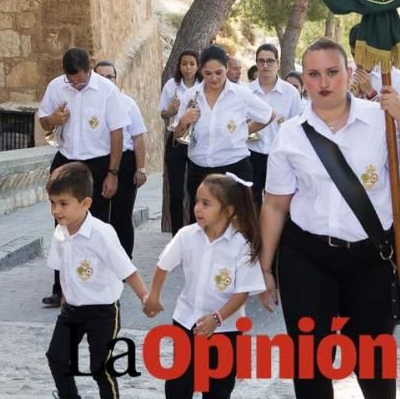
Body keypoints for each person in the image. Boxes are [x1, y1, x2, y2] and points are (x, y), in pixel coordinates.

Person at [260, 38, 400, 398]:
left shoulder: (382, 122)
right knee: (310, 368)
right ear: (303, 79)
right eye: (314, 74)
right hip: (306, 257)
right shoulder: (290, 135)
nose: (324, 82)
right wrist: (263, 267)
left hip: (371, 258)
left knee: (373, 368)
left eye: (333, 72)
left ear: (349, 74)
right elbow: (275, 205)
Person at [142, 173, 266, 399]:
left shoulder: (241, 247)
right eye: (197, 201)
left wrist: (217, 318)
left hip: (225, 330)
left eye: (206, 204)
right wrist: (154, 296)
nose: (197, 208)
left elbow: (241, 294)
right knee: (178, 386)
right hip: (186, 321)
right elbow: (163, 266)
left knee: (218, 389)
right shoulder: (186, 236)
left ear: (228, 211)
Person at [45, 162, 149, 399]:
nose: (56, 210)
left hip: (102, 312)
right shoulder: (60, 233)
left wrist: (145, 296)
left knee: (100, 367)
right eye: (52, 203)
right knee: (56, 356)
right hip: (71, 311)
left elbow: (127, 270)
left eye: (63, 204)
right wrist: (64, 299)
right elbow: (63, 270)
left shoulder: (101, 234)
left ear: (85, 204)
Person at [38, 47, 127, 306]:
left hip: (97, 164)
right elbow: (44, 121)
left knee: (96, 226)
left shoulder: (107, 91)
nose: (76, 84)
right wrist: (53, 119)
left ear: (90, 70)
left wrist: (113, 173)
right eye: (72, 80)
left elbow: (117, 134)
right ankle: (61, 287)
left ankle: (96, 287)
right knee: (62, 225)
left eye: (81, 79)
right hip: (67, 160)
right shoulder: (56, 87)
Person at [172, 45, 275, 224]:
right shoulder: (191, 96)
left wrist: (244, 131)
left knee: (238, 226)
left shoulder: (241, 94)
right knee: (202, 225)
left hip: (234, 169)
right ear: (201, 71)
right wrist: (183, 121)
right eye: (208, 73)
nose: (214, 78)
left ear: (226, 68)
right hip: (200, 171)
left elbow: (269, 115)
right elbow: (177, 138)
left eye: (219, 72)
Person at [94, 60, 148, 257]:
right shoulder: (91, 105)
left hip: (125, 163)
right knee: (97, 217)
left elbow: (138, 137)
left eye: (110, 76)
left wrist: (140, 169)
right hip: (99, 162)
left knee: (122, 215)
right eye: (101, 77)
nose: (106, 80)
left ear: (116, 79)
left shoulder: (127, 103)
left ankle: (124, 261)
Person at [247, 43, 304, 207]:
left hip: (279, 156)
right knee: (252, 205)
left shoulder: (290, 92)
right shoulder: (245, 91)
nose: (265, 65)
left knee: (277, 206)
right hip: (251, 154)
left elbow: (297, 126)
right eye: (261, 61)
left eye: (270, 61)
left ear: (277, 64)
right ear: (256, 63)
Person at [159, 50, 201, 235]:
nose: (188, 67)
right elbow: (163, 114)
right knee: (176, 193)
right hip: (176, 140)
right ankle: (177, 234)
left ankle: (195, 230)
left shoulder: (203, 85)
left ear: (198, 66)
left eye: (192, 63)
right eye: (184, 64)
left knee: (196, 190)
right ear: (179, 66)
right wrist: (171, 109)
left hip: (197, 141)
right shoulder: (172, 85)